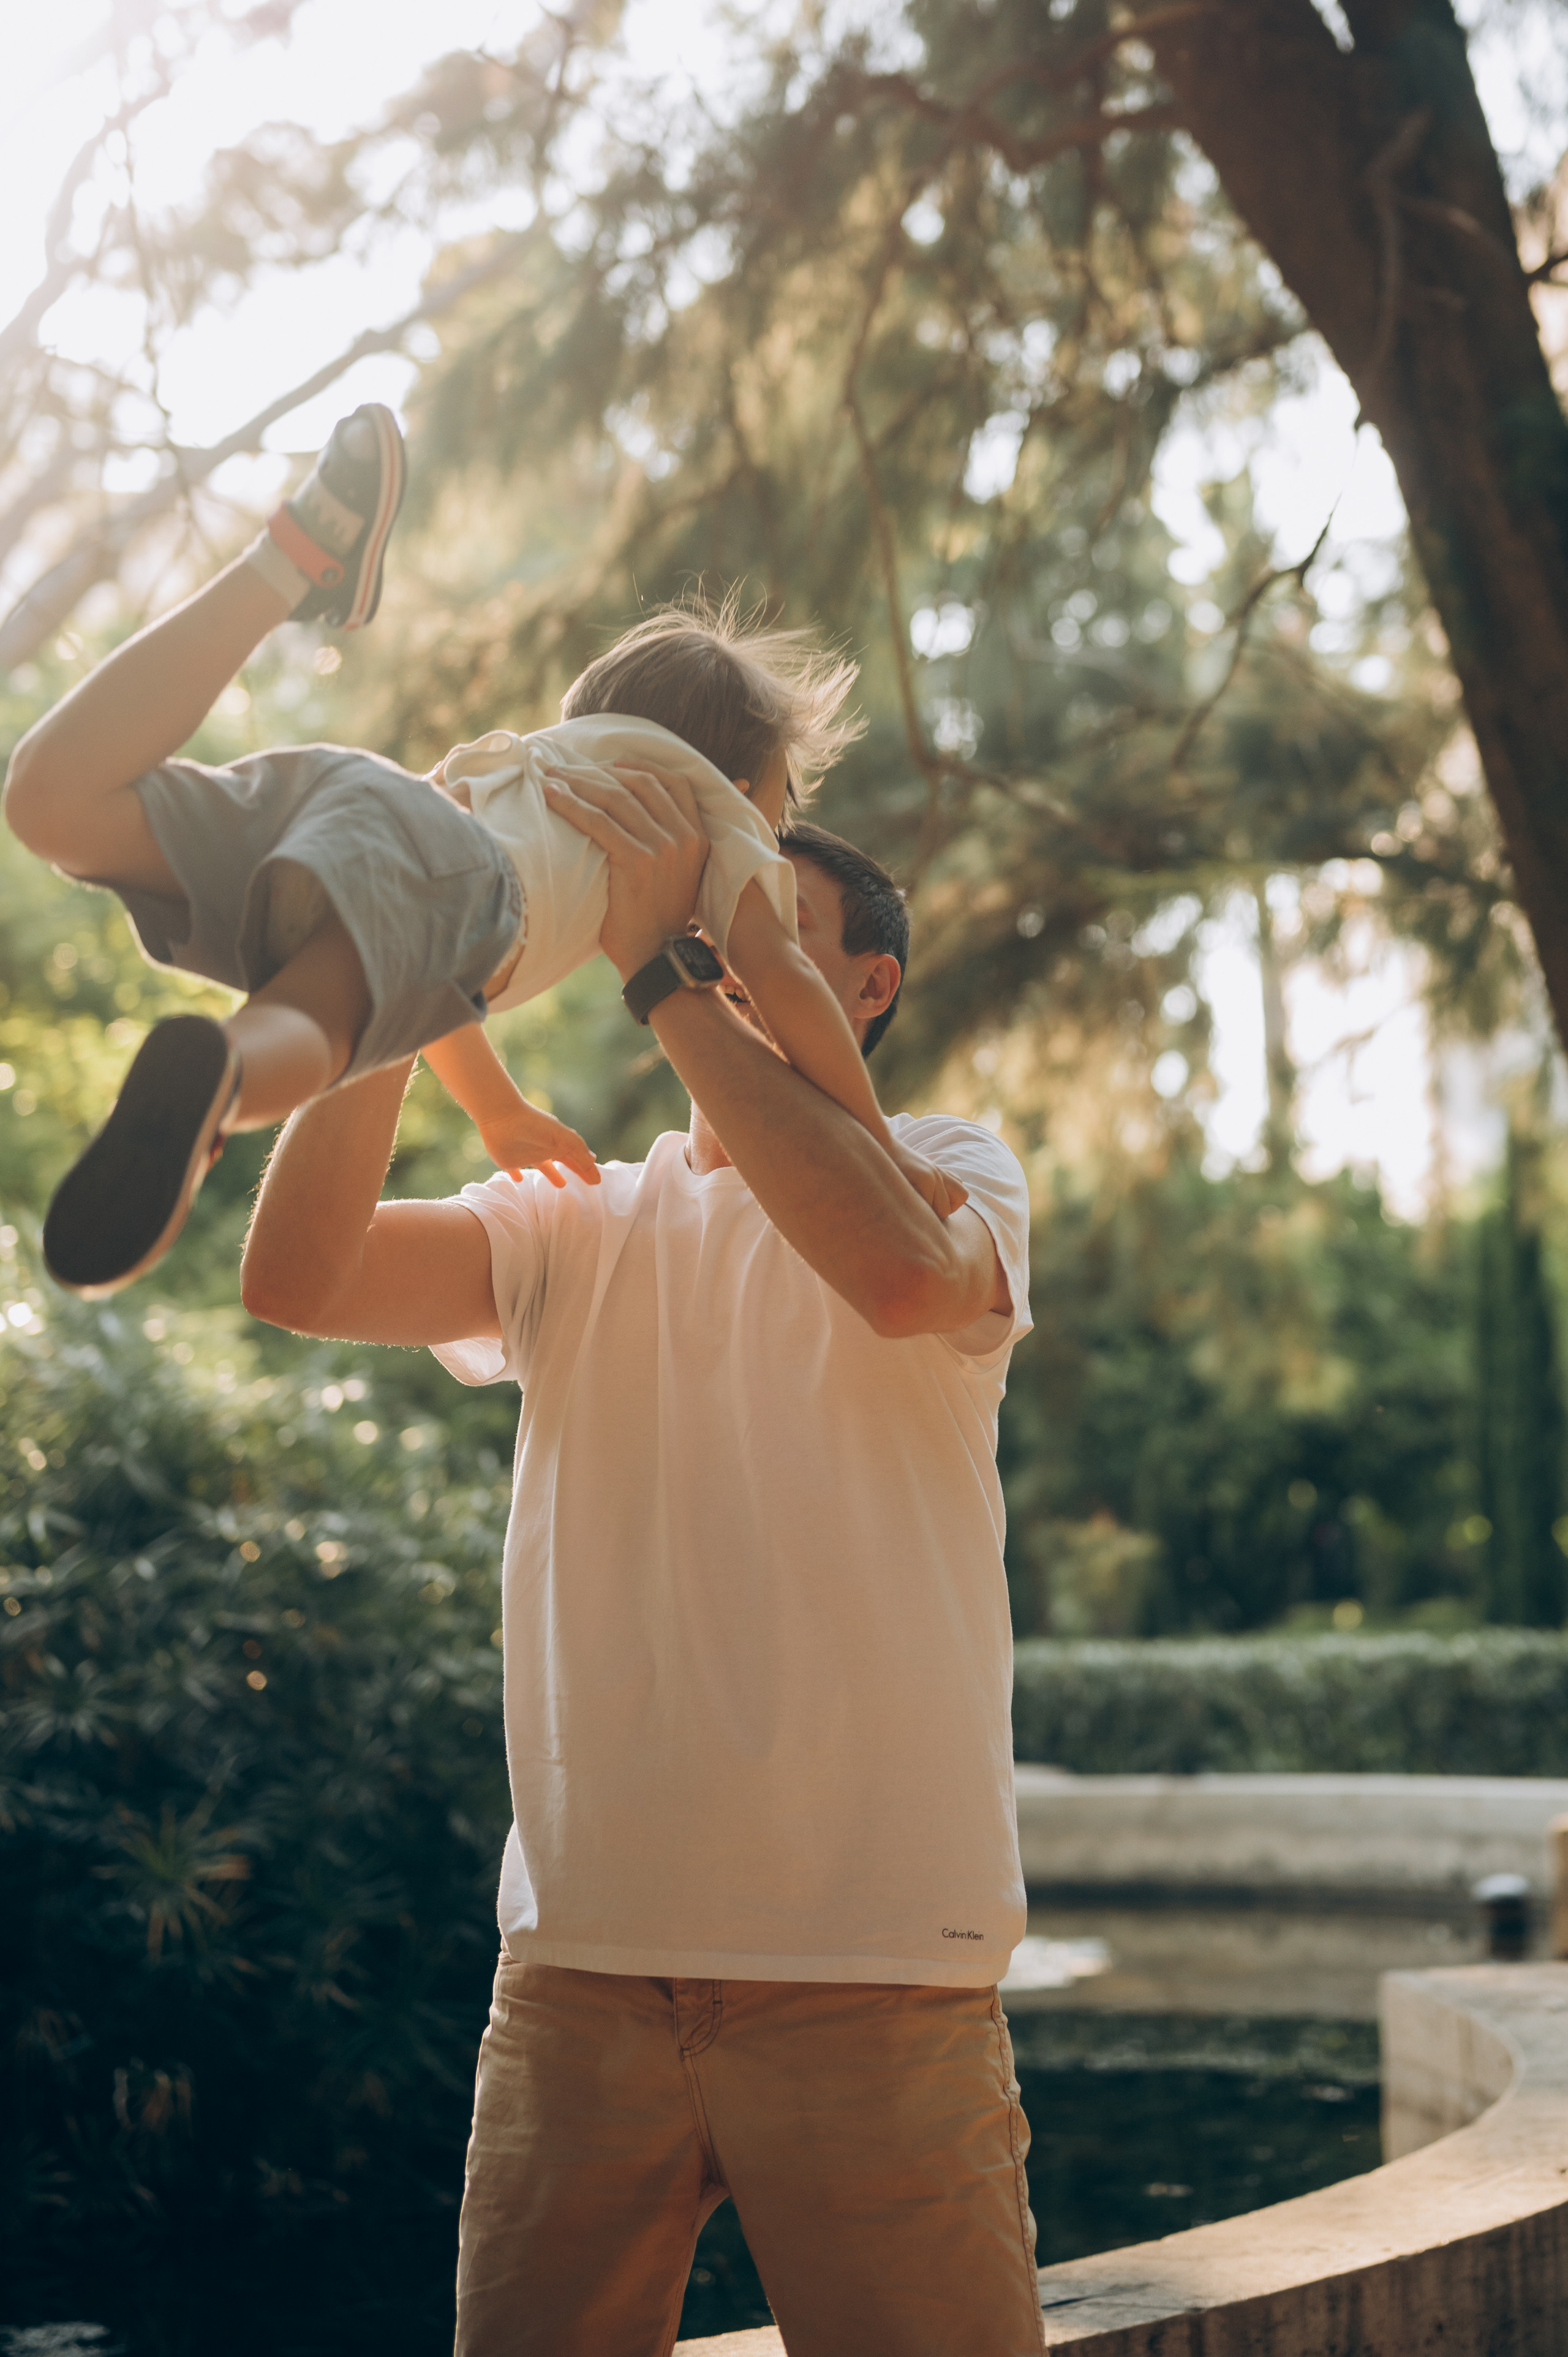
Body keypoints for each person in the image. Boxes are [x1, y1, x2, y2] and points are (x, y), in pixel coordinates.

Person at [239, 761, 1044, 2357]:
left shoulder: (952, 1169)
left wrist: (671, 960)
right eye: (694, 899)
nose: (709, 927)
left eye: (762, 914)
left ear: (865, 986)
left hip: (876, 1978)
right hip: (576, 1986)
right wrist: (391, 971)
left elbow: (894, 1278)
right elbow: (300, 1277)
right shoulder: (580, 1221)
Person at [2, 404, 959, 1299]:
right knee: (326, 1019)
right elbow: (785, 981)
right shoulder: (718, 820)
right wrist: (885, 1146)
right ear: (748, 785)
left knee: (58, 804)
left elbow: (433, 1003)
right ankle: (226, 1076)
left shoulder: (547, 762)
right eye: (779, 801)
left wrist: (497, 1109)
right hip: (455, 884)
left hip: (364, 797)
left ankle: (291, 558)